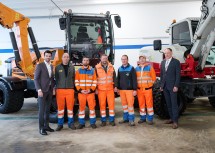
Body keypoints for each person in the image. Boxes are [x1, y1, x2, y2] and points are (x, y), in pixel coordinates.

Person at [34, 50, 55, 135]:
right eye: (46, 56)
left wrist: (53, 88)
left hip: (49, 90)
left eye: (49, 56)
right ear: (44, 57)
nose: (48, 57)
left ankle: (47, 126)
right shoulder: (40, 65)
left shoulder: (51, 66)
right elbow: (36, 79)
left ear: (51, 57)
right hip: (42, 91)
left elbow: (52, 79)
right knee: (41, 110)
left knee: (47, 110)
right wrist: (39, 90)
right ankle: (41, 128)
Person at [160, 48, 181, 129]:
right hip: (165, 87)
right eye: (165, 53)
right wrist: (161, 86)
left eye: (168, 53)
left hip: (173, 87)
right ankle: (171, 118)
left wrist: (176, 86)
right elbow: (162, 75)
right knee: (168, 104)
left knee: (174, 104)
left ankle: (175, 121)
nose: (167, 54)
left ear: (171, 53)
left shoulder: (176, 62)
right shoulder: (162, 62)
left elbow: (178, 75)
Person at [55, 53, 76, 131]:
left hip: (70, 90)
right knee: (60, 109)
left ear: (69, 58)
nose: (66, 58)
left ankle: (71, 123)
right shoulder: (57, 68)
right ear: (62, 58)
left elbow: (73, 77)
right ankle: (60, 124)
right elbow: (56, 78)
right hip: (60, 90)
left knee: (70, 108)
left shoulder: (72, 67)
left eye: (67, 57)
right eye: (64, 57)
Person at [75, 57, 97, 129]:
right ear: (82, 61)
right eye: (84, 60)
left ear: (89, 62)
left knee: (92, 108)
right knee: (81, 109)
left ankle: (92, 123)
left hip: (90, 93)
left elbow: (95, 81)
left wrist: (90, 90)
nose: (86, 61)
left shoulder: (92, 70)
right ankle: (81, 123)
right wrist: (80, 90)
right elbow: (76, 82)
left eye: (87, 60)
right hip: (81, 93)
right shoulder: (78, 71)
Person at [95, 54, 117, 126]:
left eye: (106, 58)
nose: (104, 59)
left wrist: (115, 86)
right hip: (101, 90)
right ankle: (103, 121)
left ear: (107, 59)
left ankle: (112, 120)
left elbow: (114, 77)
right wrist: (96, 88)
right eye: (103, 58)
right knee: (102, 105)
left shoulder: (111, 66)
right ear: (101, 59)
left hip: (110, 89)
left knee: (111, 105)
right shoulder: (96, 68)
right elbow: (94, 79)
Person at [136, 55, 156, 125]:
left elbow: (154, 78)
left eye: (143, 58)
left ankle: (150, 119)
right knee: (141, 104)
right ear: (139, 60)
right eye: (140, 59)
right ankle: (143, 118)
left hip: (148, 89)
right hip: (139, 90)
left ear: (145, 59)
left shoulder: (150, 67)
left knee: (149, 104)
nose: (142, 60)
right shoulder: (136, 68)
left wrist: (149, 85)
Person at [117, 55, 137, 126]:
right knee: (124, 105)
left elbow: (134, 80)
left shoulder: (131, 68)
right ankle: (125, 119)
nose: (123, 60)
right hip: (122, 90)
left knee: (130, 105)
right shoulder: (119, 69)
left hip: (130, 90)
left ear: (127, 60)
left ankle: (131, 120)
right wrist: (118, 88)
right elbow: (118, 79)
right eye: (122, 59)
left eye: (125, 59)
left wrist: (135, 89)